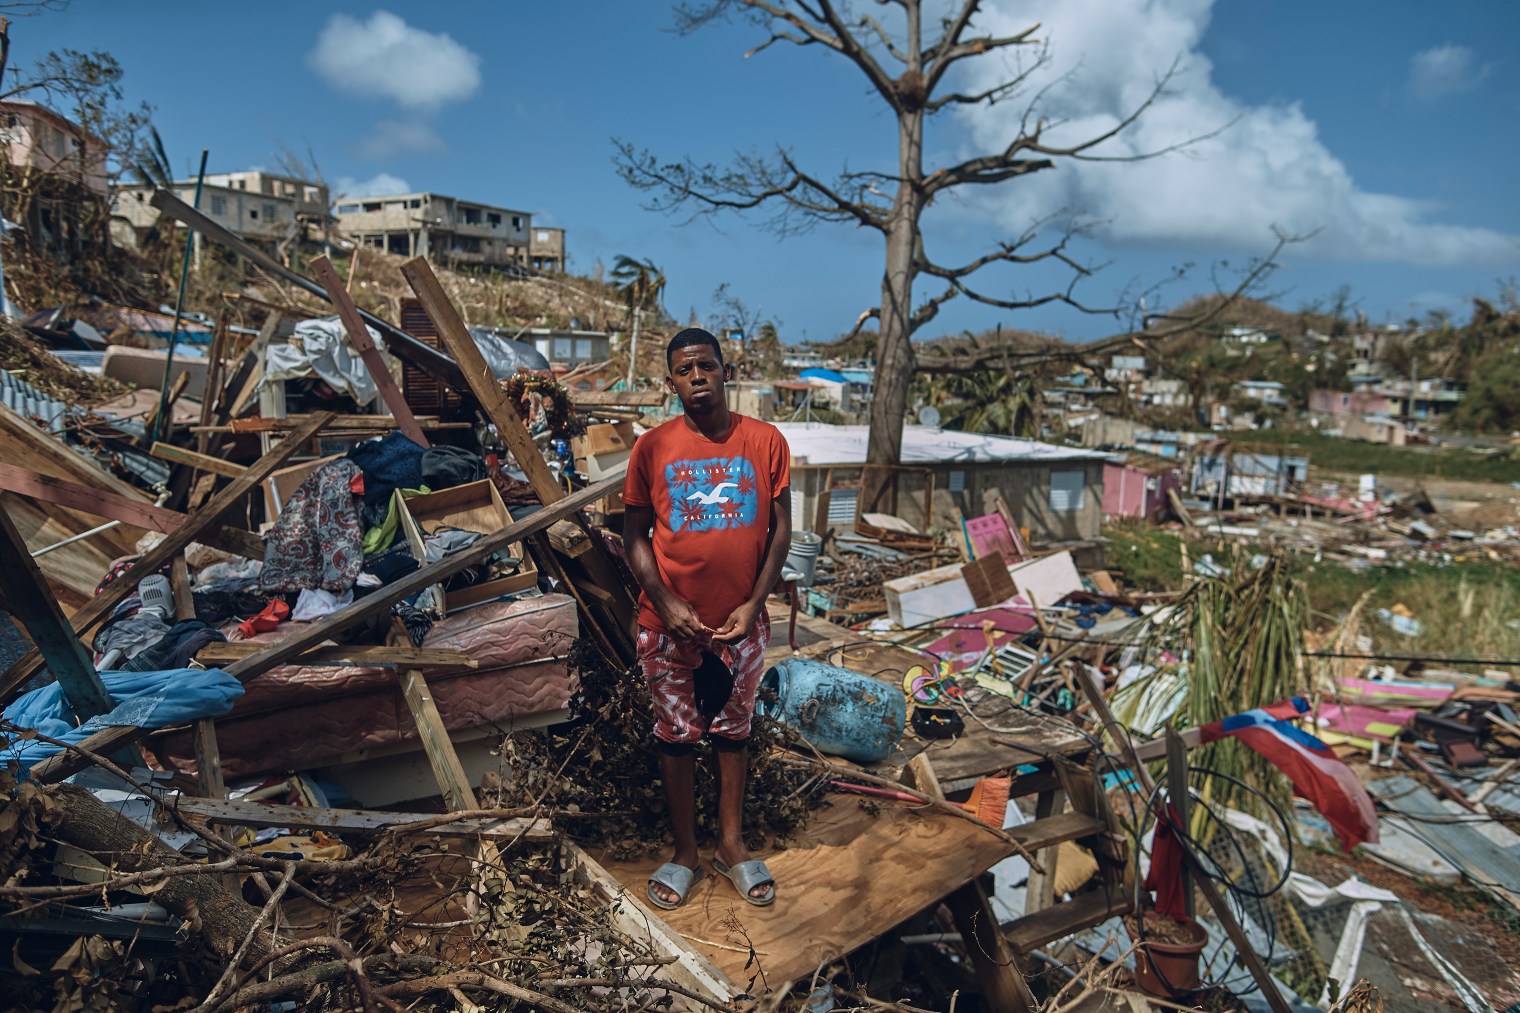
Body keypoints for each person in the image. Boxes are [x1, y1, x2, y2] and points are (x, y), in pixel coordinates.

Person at [622, 327, 792, 910]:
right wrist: (667, 603)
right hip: (667, 627)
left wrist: (754, 603)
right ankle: (685, 851)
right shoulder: (652, 448)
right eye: (684, 370)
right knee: (676, 736)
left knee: (733, 731)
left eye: (706, 367)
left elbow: (781, 531)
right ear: (671, 381)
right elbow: (634, 538)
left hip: (740, 626)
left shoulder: (766, 441)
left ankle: (731, 845)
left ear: (725, 371)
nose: (696, 378)